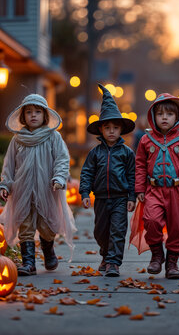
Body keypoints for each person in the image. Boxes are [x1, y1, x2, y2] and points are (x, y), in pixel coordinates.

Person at [0, 94, 76, 276]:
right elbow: (9, 165)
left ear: (45, 116)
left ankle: (48, 249)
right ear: (23, 116)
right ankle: (28, 263)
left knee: (47, 225)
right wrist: (5, 184)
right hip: (22, 190)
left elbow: (62, 159)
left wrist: (59, 178)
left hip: (47, 189)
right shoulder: (17, 140)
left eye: (37, 112)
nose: (33, 115)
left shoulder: (53, 137)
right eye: (29, 112)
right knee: (25, 225)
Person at [131, 93, 179, 279]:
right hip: (153, 189)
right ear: (153, 117)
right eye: (160, 114)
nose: (164, 118)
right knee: (151, 220)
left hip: (177, 191)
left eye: (169, 114)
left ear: (177, 118)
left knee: (177, 227)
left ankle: (172, 263)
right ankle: (156, 254)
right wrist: (139, 189)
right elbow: (140, 165)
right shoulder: (146, 140)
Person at [79, 84, 136, 277]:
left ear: (121, 129)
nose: (111, 131)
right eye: (107, 127)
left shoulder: (127, 153)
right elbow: (86, 173)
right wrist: (85, 193)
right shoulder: (95, 153)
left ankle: (113, 262)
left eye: (115, 127)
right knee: (100, 231)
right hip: (101, 198)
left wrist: (132, 197)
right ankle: (105, 254)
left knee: (118, 230)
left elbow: (132, 175)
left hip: (120, 198)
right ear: (101, 129)